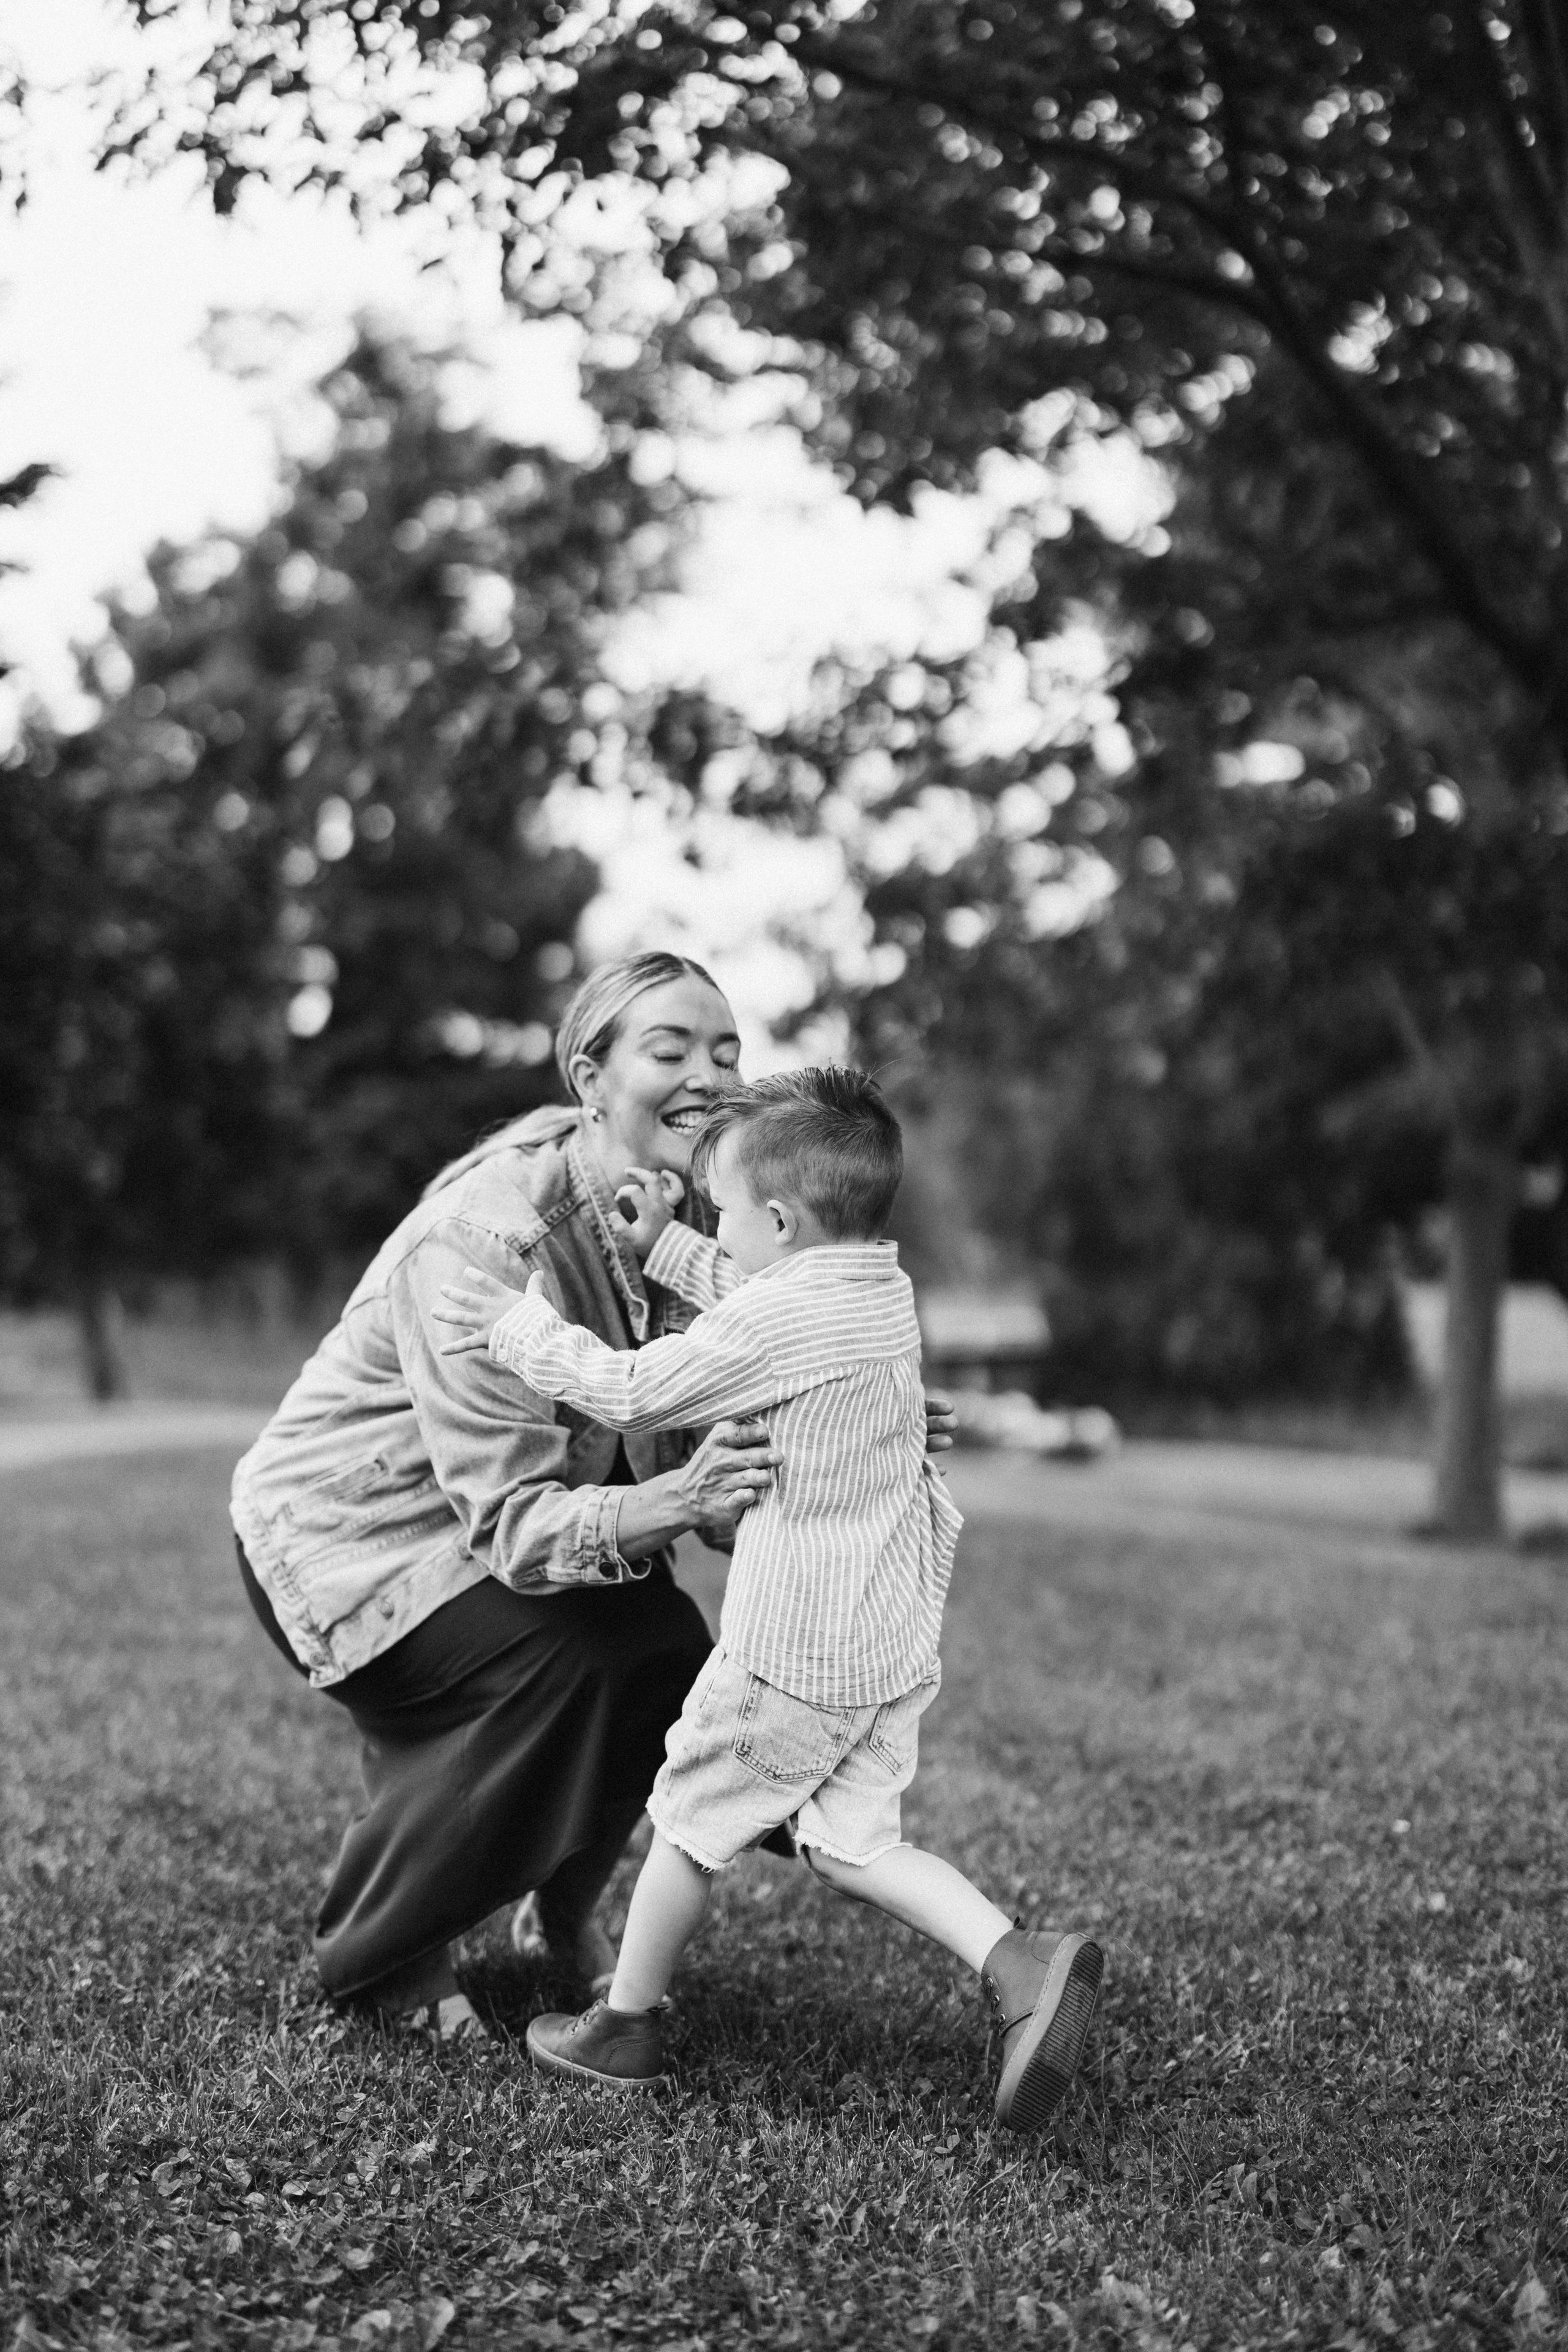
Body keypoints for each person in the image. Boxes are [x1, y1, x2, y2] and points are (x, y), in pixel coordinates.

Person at [230, 952, 956, 2038]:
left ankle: (558, 1920)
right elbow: (515, 1525)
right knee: (571, 1666)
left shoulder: (709, 1223)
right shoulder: (488, 1241)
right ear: (590, 1076)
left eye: (726, 1051)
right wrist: (672, 1505)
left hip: (496, 1528)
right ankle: (381, 1953)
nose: (707, 1074)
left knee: (666, 1657)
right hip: (351, 1542)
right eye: (670, 1050)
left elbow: (703, 1441)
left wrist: (859, 1432)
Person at [435, 1067, 1102, 2131]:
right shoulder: (878, 1285)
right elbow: (764, 1292)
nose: (720, 1229)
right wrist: (670, 1247)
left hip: (795, 1649)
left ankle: (623, 2024)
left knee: (688, 1819)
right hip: (884, 1637)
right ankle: (1017, 1963)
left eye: (728, 1213)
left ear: (781, 1219)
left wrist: (512, 1326)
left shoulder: (779, 1319)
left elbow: (634, 1387)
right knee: (851, 1847)